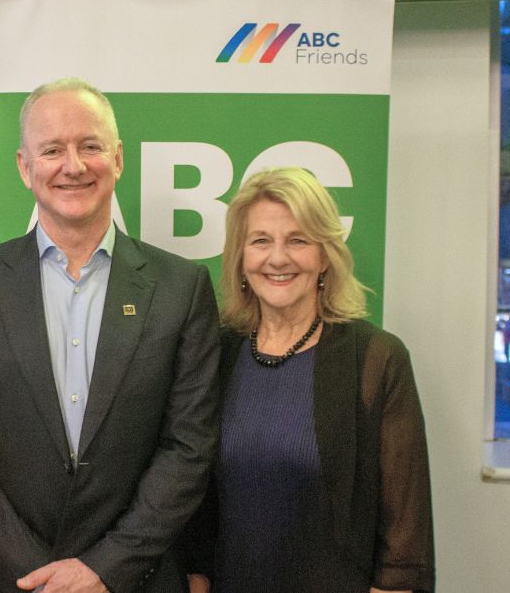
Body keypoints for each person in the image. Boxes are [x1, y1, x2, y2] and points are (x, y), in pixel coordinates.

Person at [0, 77, 220, 593]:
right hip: (7, 579)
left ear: (118, 158)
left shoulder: (182, 288)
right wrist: (39, 576)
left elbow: (188, 447)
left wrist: (105, 567)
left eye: (90, 146)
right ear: (25, 166)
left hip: (135, 578)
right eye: (52, 150)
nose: (73, 165)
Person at [182, 167, 435, 593]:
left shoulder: (376, 360)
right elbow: (198, 508)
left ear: (324, 256)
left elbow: (404, 537)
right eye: (261, 241)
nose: (277, 258)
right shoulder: (217, 354)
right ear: (241, 259)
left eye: (297, 240)